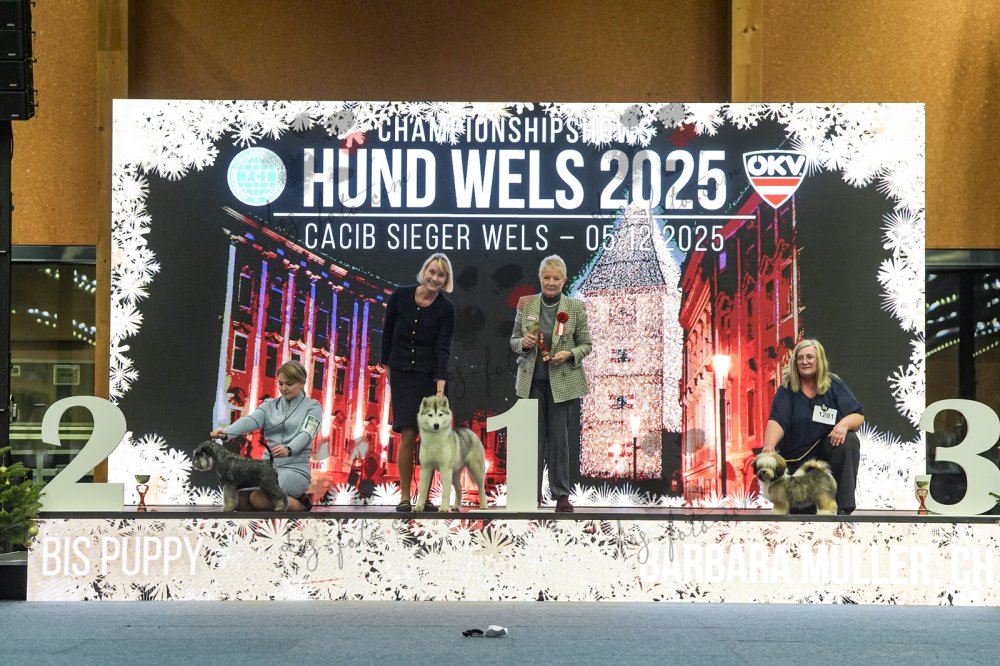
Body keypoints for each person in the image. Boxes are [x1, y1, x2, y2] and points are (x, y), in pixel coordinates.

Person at [510, 255, 592, 513]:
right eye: (547, 277)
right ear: (540, 278)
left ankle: (561, 496)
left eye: (556, 278)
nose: (551, 282)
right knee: (532, 441)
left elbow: (586, 345)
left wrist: (570, 354)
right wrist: (523, 343)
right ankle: (530, 495)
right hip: (531, 382)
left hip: (563, 384)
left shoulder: (575, 307)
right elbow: (513, 340)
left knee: (559, 441)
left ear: (564, 280)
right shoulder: (526, 303)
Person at [380, 252, 456, 512]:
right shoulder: (400, 296)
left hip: (429, 377)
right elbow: (387, 333)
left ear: (446, 280)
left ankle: (425, 498)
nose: (435, 278)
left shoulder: (446, 308)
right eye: (432, 272)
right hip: (401, 373)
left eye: (441, 275)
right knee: (408, 435)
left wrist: (440, 386)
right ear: (424, 271)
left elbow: (443, 348)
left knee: (430, 439)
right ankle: (404, 496)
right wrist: (387, 365)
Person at [762, 339, 864, 515]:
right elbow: (777, 420)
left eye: (809, 357)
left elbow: (858, 415)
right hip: (796, 460)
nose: (805, 361)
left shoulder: (834, 384)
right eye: (800, 358)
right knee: (801, 513)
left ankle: (843, 508)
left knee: (849, 440)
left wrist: (843, 424)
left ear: (819, 360)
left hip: (827, 454)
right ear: (795, 362)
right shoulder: (786, 389)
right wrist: (769, 446)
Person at [209, 360, 321, 512]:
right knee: (237, 500)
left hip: (295, 469)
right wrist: (227, 432)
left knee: (259, 497)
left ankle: (301, 505)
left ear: (302, 383)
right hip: (266, 467)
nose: (283, 388)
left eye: (289, 384)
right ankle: (279, 504)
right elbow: (251, 420)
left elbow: (307, 433)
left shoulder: (313, 407)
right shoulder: (269, 405)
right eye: (280, 383)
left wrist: (289, 449)